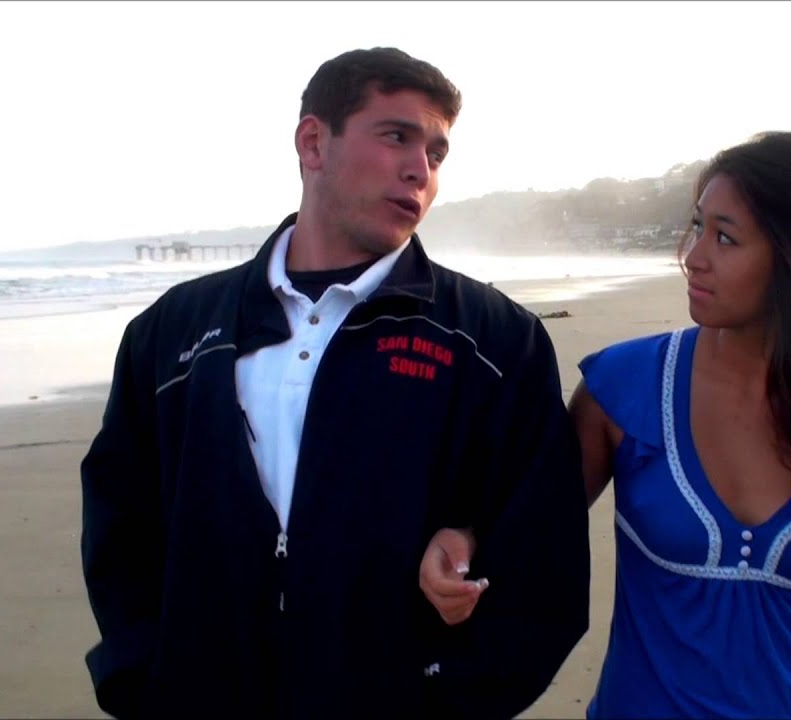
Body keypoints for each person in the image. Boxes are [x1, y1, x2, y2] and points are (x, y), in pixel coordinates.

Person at [80, 47, 590, 719]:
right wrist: (147, 679)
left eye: (436, 153)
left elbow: (542, 546)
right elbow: (120, 524)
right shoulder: (174, 331)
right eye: (397, 136)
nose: (420, 169)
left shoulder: (493, 340)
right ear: (313, 143)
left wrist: (445, 695)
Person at [421, 132, 791, 718]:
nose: (695, 256)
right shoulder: (624, 389)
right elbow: (529, 521)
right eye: (699, 226)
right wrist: (466, 540)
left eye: (726, 237)